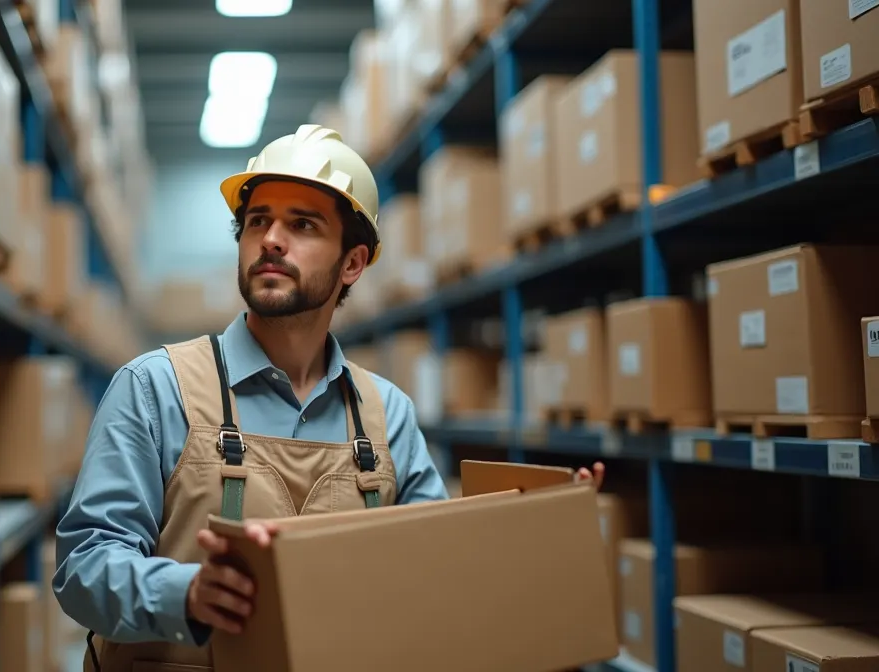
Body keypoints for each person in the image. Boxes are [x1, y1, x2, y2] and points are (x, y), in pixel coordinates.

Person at [53, 124, 605, 672]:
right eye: (257, 221)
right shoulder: (155, 388)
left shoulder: (386, 415)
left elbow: (442, 574)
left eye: (302, 224)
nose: (270, 238)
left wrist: (545, 536)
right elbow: (83, 566)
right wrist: (187, 592)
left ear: (353, 263)